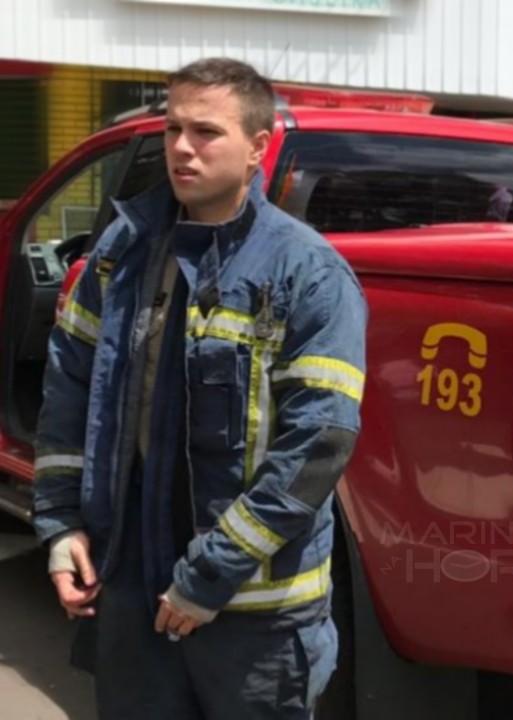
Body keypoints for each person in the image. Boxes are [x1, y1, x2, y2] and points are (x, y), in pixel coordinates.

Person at [32, 57, 367, 719]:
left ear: (257, 149)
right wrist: (61, 524)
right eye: (173, 128)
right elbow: (70, 392)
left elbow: (315, 449)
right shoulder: (121, 255)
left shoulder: (308, 274)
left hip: (253, 615)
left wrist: (208, 576)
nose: (182, 147)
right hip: (131, 586)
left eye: (207, 132)